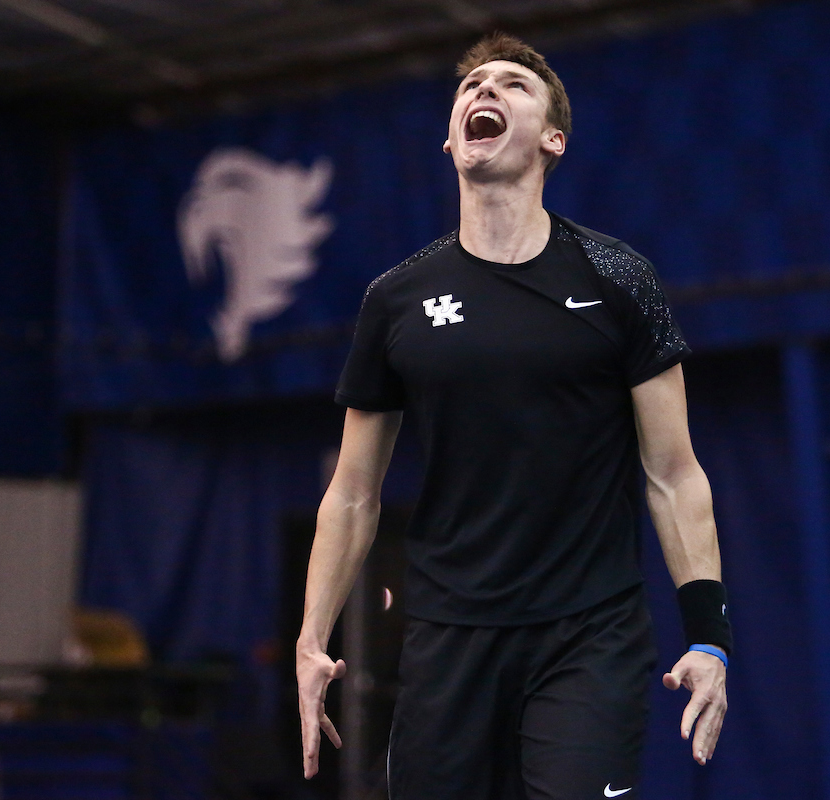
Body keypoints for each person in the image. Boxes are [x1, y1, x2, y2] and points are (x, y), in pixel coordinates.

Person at [297, 32, 732, 799]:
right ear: (450, 138)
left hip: (589, 633)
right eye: (470, 88)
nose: (485, 92)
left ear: (552, 139)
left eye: (512, 86)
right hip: (448, 637)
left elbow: (672, 473)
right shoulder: (394, 299)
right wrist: (311, 637)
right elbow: (354, 493)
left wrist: (712, 638)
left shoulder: (620, 277)